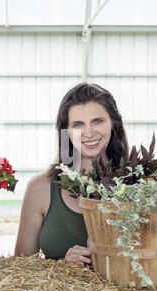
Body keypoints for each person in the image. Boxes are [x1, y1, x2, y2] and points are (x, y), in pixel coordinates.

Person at [14, 82, 129, 265]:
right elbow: (20, 267)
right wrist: (62, 267)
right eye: (78, 125)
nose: (88, 133)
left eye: (97, 121)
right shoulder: (40, 188)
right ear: (66, 131)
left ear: (113, 123)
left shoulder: (138, 185)